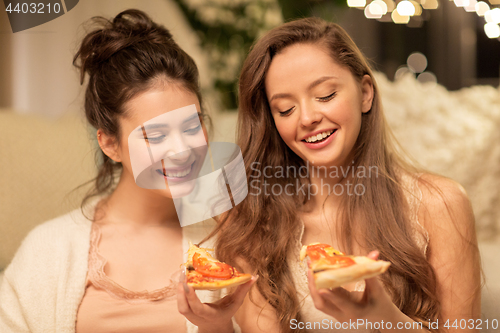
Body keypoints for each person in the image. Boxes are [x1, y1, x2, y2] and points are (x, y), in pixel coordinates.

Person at [208, 17, 481, 332]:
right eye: (285, 109)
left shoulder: (441, 205)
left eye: (325, 95)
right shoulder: (252, 217)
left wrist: (387, 321)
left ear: (365, 93)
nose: (308, 118)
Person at [0, 9, 255, 333]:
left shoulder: (231, 241)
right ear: (110, 144)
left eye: (191, 127)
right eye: (156, 136)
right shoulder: (49, 251)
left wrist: (216, 326)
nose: (182, 151)